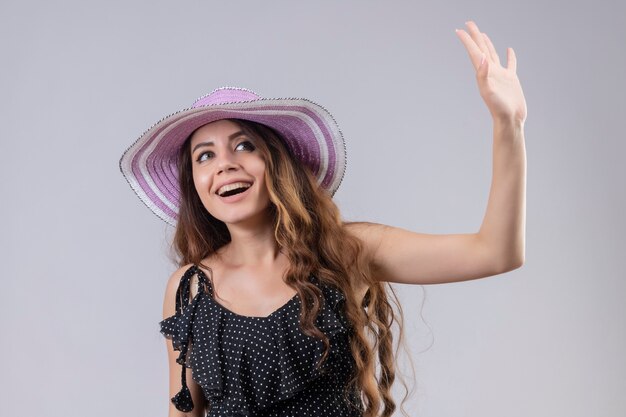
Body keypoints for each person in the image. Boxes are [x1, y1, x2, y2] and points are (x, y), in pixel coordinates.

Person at [119, 20, 527, 417]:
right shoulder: (189, 287)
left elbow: (495, 252)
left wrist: (508, 124)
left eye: (244, 146)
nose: (224, 164)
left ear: (276, 162)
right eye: (204, 155)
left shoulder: (346, 250)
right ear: (195, 183)